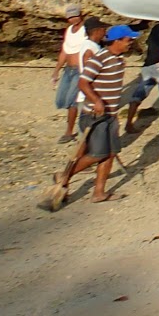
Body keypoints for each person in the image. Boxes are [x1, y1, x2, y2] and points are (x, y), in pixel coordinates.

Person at [48, 25, 139, 208]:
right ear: (117, 41)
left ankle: (99, 192)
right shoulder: (99, 59)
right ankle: (63, 176)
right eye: (128, 40)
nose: (131, 43)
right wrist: (96, 100)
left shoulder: (118, 59)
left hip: (111, 115)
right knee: (98, 154)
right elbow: (83, 83)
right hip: (94, 115)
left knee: (111, 154)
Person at [53, 4, 91, 143]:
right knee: (61, 100)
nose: (72, 19)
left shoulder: (86, 30)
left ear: (80, 15)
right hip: (68, 70)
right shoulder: (69, 30)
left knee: (72, 101)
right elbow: (65, 51)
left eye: (75, 16)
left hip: (79, 70)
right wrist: (56, 70)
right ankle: (74, 127)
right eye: (70, 17)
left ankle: (69, 132)